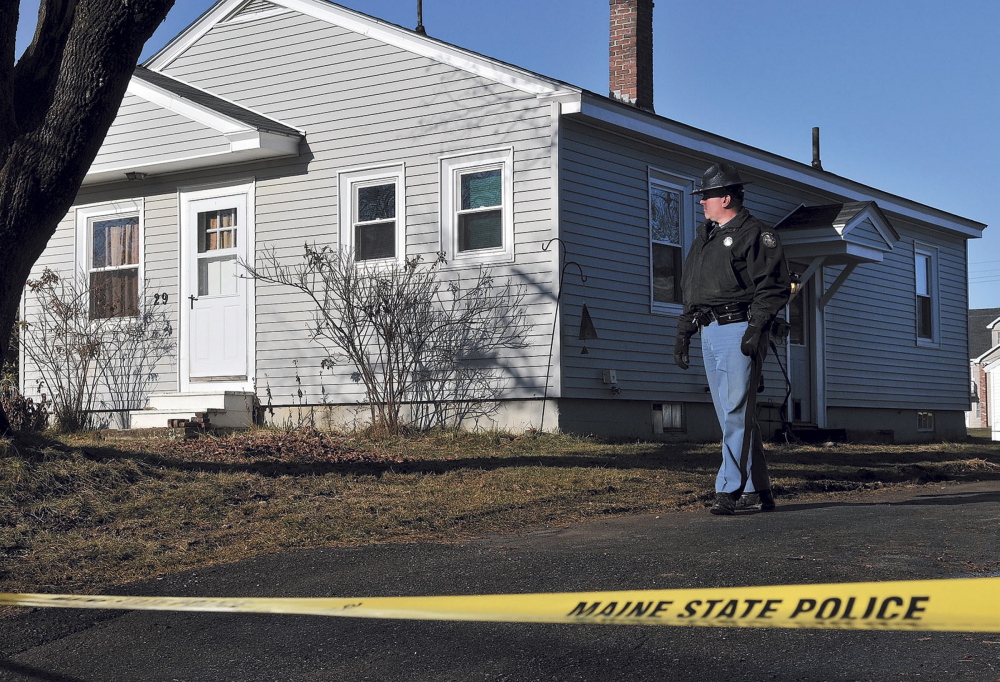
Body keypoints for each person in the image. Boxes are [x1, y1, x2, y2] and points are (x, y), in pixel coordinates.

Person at [674, 162, 790, 515]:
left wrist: (756, 329)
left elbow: (773, 287)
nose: (700, 202)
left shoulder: (756, 235)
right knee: (732, 414)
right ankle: (758, 489)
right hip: (709, 329)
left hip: (740, 328)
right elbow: (695, 291)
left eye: (705, 196)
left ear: (725, 197)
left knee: (737, 410)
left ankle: (728, 490)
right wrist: (685, 331)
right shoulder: (705, 238)